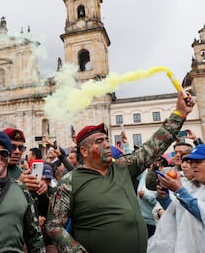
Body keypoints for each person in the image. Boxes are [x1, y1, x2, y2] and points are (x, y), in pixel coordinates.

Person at [45, 91, 194, 253]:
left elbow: (153, 147)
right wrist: (76, 251)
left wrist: (180, 113)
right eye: (99, 141)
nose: (107, 144)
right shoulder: (70, 182)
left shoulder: (123, 166)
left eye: (107, 140)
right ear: (84, 151)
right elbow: (54, 226)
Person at [147, 144, 205, 252]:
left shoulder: (184, 188)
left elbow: (201, 211)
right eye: (191, 162)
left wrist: (180, 191)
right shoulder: (190, 185)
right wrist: (164, 197)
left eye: (198, 162)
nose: (193, 166)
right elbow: (176, 211)